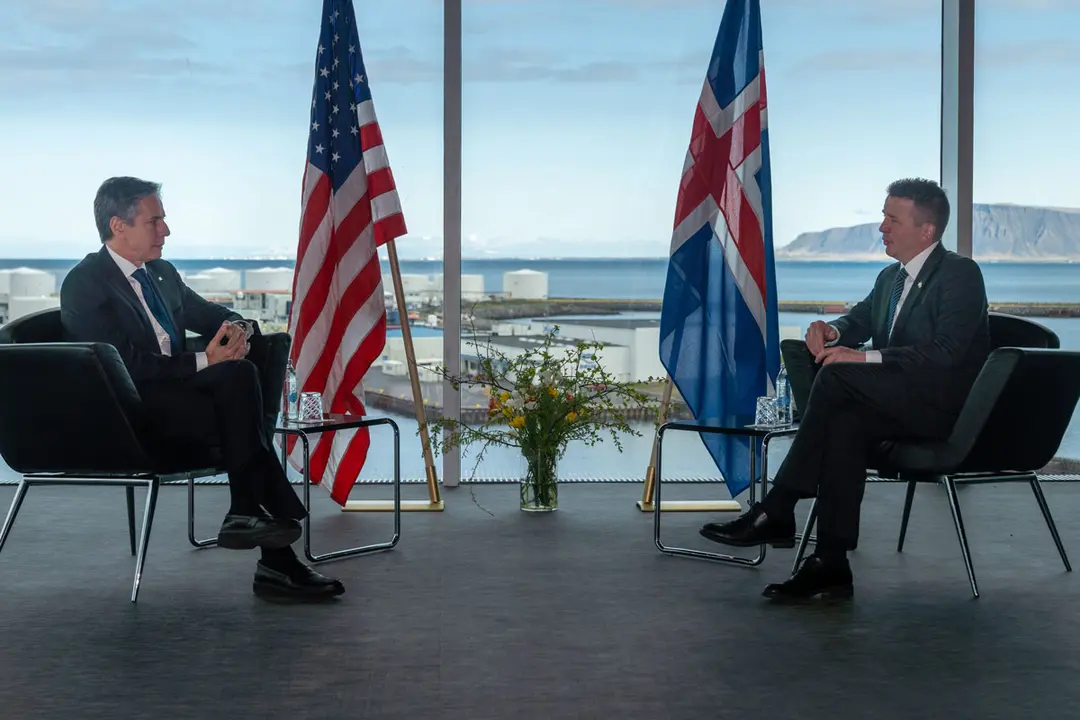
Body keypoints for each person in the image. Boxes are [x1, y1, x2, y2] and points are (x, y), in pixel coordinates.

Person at [699, 178, 990, 601]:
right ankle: (830, 563)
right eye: (883, 216)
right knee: (844, 423)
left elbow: (946, 353)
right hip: (895, 402)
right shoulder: (891, 277)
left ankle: (778, 508)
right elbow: (859, 321)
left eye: (893, 218)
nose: (882, 227)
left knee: (837, 379)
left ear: (926, 231)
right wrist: (831, 330)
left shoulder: (960, 274)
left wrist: (864, 358)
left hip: (943, 411)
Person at [60, 176, 344, 602]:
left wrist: (237, 330)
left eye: (164, 220)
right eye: (154, 221)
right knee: (238, 397)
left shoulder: (161, 274)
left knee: (238, 384)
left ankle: (250, 519)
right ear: (119, 226)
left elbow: (214, 314)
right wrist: (205, 360)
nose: (166, 231)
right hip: (126, 412)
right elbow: (122, 365)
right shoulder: (85, 283)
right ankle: (269, 551)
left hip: (182, 399)